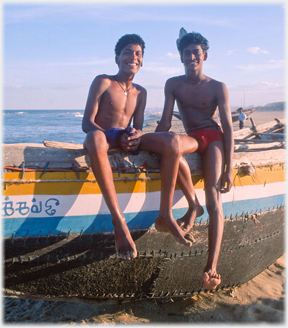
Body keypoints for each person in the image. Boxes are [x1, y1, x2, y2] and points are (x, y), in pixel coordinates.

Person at [82, 34, 194, 261]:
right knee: (95, 138)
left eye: (138, 54)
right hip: (105, 138)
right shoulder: (103, 81)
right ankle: (118, 220)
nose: (132, 57)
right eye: (127, 53)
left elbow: (138, 128)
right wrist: (118, 134)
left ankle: (166, 214)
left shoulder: (141, 92)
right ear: (116, 58)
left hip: (126, 140)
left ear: (142, 61)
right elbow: (87, 123)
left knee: (172, 140)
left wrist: (134, 136)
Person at [156, 29, 234, 290]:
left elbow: (228, 127)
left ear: (205, 56)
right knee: (172, 147)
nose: (191, 57)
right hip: (192, 136)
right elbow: (166, 122)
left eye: (196, 53)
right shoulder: (173, 84)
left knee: (214, 198)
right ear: (180, 57)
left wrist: (230, 168)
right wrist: (152, 144)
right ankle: (192, 205)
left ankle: (211, 267)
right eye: (186, 53)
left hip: (213, 139)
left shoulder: (216, 86)